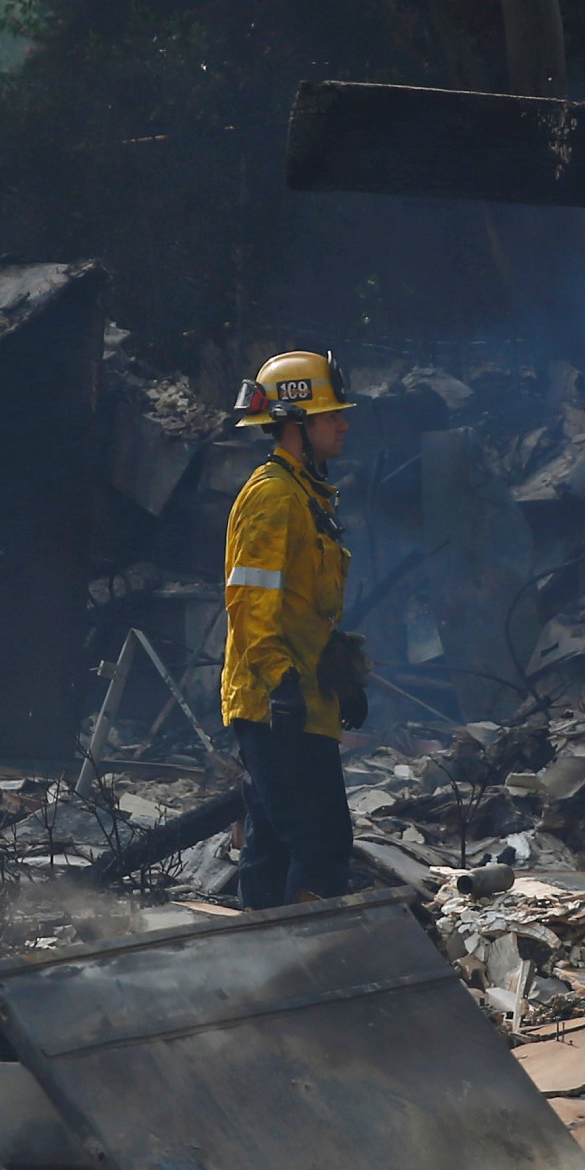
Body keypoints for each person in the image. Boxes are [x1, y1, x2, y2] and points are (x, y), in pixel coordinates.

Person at [220, 348, 370, 908]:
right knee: (321, 842)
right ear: (297, 423)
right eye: (333, 416)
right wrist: (281, 681)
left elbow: (304, 607)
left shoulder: (305, 494)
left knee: (275, 846)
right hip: (275, 703)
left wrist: (342, 676)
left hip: (301, 698)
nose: (343, 424)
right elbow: (250, 602)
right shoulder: (273, 495)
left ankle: (260, 962)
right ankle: (311, 964)